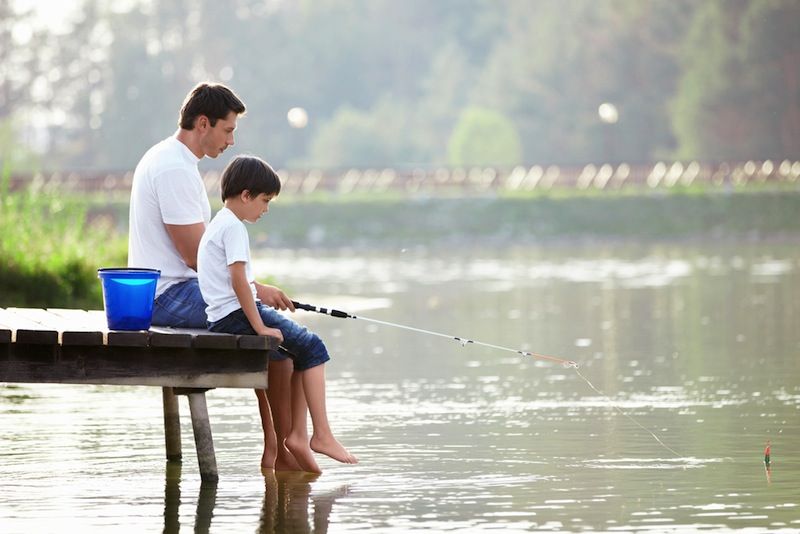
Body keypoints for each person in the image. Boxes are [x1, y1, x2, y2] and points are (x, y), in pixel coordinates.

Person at [127, 82, 299, 472]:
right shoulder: (174, 168)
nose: (232, 140)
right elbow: (195, 257)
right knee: (275, 333)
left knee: (267, 325)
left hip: (171, 289)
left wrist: (253, 292)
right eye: (228, 129)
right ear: (202, 123)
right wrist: (254, 290)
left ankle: (278, 446)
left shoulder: (170, 158)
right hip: (168, 295)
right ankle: (279, 449)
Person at [198, 155, 358, 473]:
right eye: (264, 200)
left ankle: (298, 437)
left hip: (223, 316)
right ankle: (320, 435)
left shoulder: (220, 223)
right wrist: (259, 325)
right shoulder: (234, 229)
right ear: (245, 195)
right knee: (314, 347)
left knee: (299, 352)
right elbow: (239, 282)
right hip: (237, 316)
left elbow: (238, 283)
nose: (266, 209)